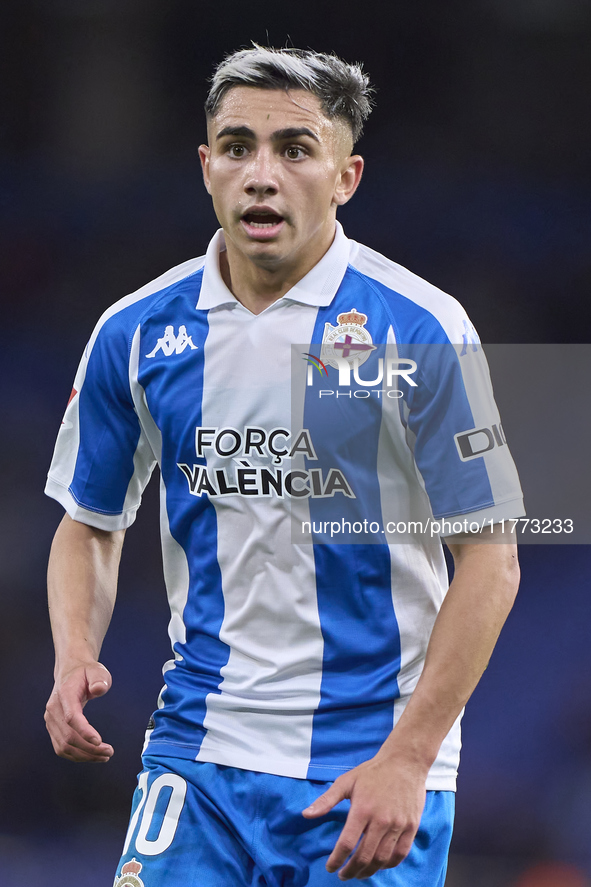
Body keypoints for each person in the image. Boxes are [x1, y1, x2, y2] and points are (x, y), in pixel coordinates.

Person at [44, 46, 523, 886]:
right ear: (205, 167)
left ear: (346, 175)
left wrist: (408, 758)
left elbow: (490, 557)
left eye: (295, 150)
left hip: (367, 766)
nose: (260, 174)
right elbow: (89, 519)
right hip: (198, 752)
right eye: (236, 147)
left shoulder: (419, 327)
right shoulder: (135, 331)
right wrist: (73, 649)